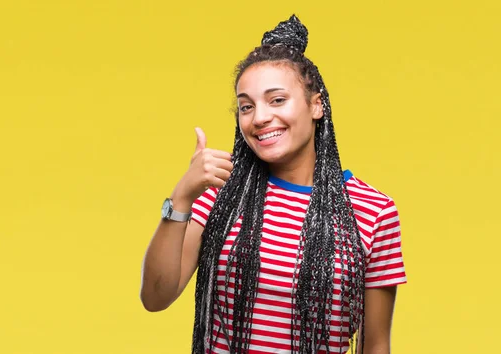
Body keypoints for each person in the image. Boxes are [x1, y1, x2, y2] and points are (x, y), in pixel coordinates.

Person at [140, 14, 406, 354]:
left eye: (277, 100)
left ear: (316, 105)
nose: (260, 117)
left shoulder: (374, 212)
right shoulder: (220, 194)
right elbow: (155, 296)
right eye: (246, 106)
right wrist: (181, 196)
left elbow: (376, 345)